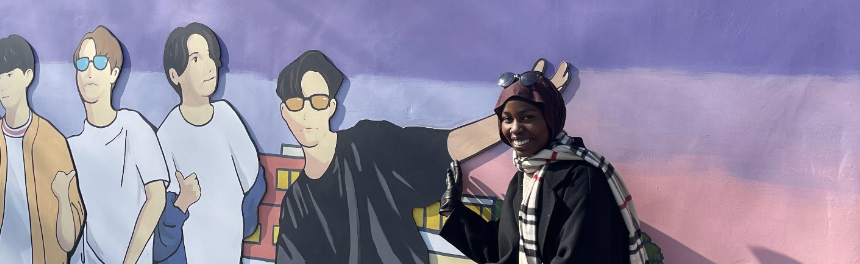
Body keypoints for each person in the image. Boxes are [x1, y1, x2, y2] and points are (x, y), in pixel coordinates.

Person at [273, 50, 499, 264]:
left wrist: (513, 118)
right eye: (296, 103)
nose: (306, 113)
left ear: (331, 107)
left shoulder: (369, 145)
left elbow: (446, 146)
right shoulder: (295, 202)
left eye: (318, 101)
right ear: (284, 111)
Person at [437, 69, 648, 264]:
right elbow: (506, 250)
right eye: (507, 119)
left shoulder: (582, 178)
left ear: (551, 119)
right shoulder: (523, 178)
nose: (515, 129)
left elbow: (581, 256)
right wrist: (453, 210)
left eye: (528, 117)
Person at [65, 26, 193, 264]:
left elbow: (156, 198)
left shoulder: (133, 127)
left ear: (114, 73)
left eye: (99, 63)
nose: (89, 72)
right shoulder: (72, 147)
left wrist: (129, 261)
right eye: (83, 64)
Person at [0, 34, 84, 264]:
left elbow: (68, 241)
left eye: (10, 75)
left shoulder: (53, 141)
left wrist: (62, 196)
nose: (3, 85)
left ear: (28, 76)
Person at [155, 23, 264, 264]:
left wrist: (238, 226)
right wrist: (182, 203)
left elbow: (255, 181)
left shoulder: (226, 116)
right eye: (195, 59)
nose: (209, 67)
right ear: (175, 75)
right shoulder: (167, 135)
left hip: (229, 252)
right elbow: (161, 231)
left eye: (210, 56)